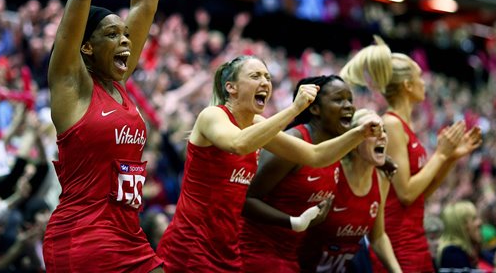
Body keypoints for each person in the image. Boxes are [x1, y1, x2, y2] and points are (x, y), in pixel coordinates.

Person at [156, 56, 382, 272]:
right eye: (255, 76)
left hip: (227, 251)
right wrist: (294, 109)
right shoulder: (213, 115)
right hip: (191, 245)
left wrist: (359, 134)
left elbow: (315, 156)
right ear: (231, 87)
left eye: (267, 77)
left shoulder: (257, 123)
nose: (265, 81)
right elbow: (238, 143)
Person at [42, 0, 163, 272]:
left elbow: (145, 2)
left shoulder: (120, 86)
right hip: (84, 237)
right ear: (88, 46)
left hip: (130, 235)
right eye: (113, 34)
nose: (127, 40)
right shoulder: (71, 85)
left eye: (126, 34)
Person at [340, 36, 483, 272]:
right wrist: (440, 154)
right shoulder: (392, 124)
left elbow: (421, 193)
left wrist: (451, 157)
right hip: (399, 241)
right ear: (407, 85)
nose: (424, 82)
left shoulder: (405, 126)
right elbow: (405, 193)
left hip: (414, 237)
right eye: (419, 76)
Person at [240, 75, 352, 272]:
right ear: (315, 108)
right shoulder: (291, 145)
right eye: (338, 99)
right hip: (256, 253)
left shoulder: (335, 148)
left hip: (291, 255)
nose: (348, 106)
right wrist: (295, 222)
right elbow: (246, 200)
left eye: (350, 100)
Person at [298, 108, 402, 273]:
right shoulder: (332, 173)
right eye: (372, 131)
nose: (382, 136)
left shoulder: (382, 178)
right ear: (353, 142)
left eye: (384, 130)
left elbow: (378, 236)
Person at [438, 200, 496, 272]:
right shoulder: (452, 255)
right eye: (474, 219)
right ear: (459, 227)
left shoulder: (479, 254)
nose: (480, 222)